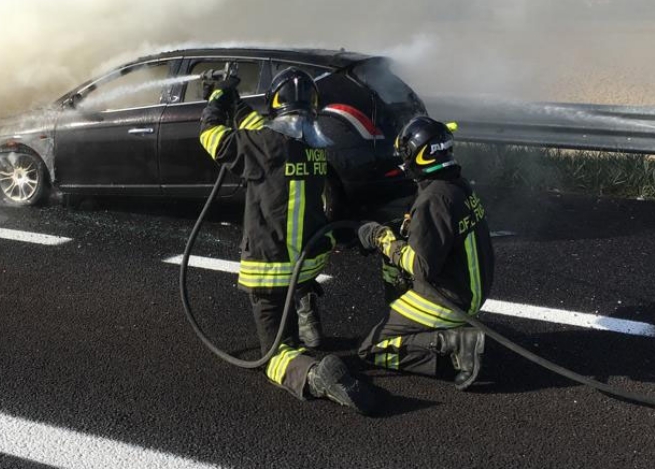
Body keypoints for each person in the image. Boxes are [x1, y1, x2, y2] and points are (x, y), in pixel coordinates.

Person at [199, 66, 376, 414]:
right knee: (298, 280)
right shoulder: (313, 145)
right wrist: (235, 101)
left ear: (276, 102)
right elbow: (261, 130)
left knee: (275, 355)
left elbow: (210, 135)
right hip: (307, 261)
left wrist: (218, 97)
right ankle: (304, 304)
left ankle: (315, 375)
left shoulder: (263, 146)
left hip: (270, 269)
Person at [356, 116, 494, 389]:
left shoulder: (434, 199)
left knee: (372, 348)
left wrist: (383, 240)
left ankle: (453, 342)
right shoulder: (457, 185)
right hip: (469, 291)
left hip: (449, 299)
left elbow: (421, 267)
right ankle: (449, 333)